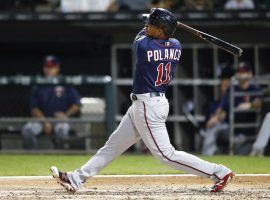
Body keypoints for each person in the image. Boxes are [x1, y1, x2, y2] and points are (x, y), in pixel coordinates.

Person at [50, 8, 233, 193]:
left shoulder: (145, 46)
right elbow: (155, 31)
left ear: (161, 30)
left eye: (152, 25)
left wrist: (154, 16)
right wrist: (160, 19)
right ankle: (76, 178)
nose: (147, 26)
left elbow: (141, 34)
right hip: (149, 103)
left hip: (148, 106)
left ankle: (219, 172)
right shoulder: (176, 44)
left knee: (166, 155)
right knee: (113, 146)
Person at [22, 55, 81, 149]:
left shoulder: (65, 82)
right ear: (43, 68)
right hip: (41, 119)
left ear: (57, 68)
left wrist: (66, 115)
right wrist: (44, 121)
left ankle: (61, 157)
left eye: (52, 67)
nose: (49, 69)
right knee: (27, 130)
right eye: (47, 67)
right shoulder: (38, 84)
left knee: (62, 131)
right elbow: (34, 108)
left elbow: (76, 104)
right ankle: (33, 156)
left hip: (60, 119)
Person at [202, 62, 261, 155]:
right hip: (232, 129)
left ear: (250, 74)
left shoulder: (254, 89)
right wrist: (216, 117)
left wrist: (250, 105)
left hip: (248, 131)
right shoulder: (232, 89)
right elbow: (221, 108)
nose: (241, 74)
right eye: (239, 71)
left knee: (240, 152)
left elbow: (259, 102)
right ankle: (207, 156)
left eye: (244, 71)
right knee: (213, 126)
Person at [202, 65, 234, 155]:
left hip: (234, 127)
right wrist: (216, 117)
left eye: (227, 86)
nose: (225, 88)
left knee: (214, 126)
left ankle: (207, 155)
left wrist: (219, 116)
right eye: (223, 86)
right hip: (225, 127)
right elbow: (219, 111)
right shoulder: (221, 99)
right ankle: (208, 154)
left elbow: (224, 114)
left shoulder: (235, 94)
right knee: (213, 125)